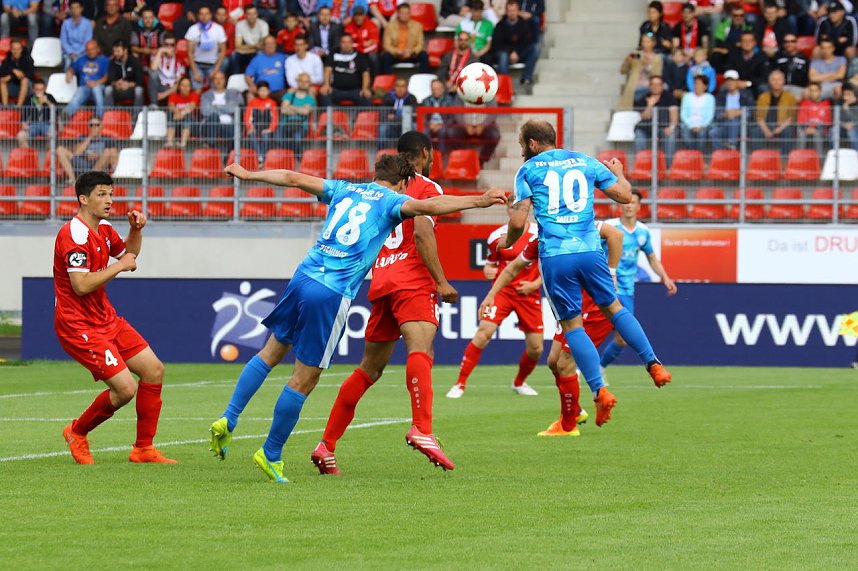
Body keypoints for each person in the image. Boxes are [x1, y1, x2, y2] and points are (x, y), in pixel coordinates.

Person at [207, 155, 505, 483]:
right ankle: (271, 453)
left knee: (271, 351)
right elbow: (431, 207)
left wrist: (248, 174)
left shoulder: (344, 188)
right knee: (304, 379)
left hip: (303, 276)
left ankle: (229, 418)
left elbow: (293, 177)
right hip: (331, 292)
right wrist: (480, 199)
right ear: (405, 182)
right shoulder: (394, 201)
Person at [503, 120, 672, 427]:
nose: (520, 150)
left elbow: (517, 222)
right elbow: (623, 195)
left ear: (532, 144)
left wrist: (507, 242)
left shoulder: (527, 171)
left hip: (557, 256)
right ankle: (653, 364)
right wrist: (619, 172)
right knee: (614, 308)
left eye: (520, 145)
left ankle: (599, 390)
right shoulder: (585, 161)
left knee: (572, 326)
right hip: (591, 250)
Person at [311, 132, 460, 475]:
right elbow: (422, 233)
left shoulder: (373, 189)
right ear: (425, 153)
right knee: (421, 349)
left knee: (369, 368)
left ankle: (326, 444)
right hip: (411, 280)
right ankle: (422, 428)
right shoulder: (425, 188)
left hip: (381, 279)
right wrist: (440, 281)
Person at [56, 171, 175, 465]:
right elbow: (81, 285)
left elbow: (129, 255)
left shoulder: (105, 228)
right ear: (83, 199)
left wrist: (135, 231)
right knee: (124, 389)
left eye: (110, 193)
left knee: (154, 370)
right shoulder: (73, 235)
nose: (109, 200)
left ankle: (143, 449)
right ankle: (76, 432)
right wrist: (119, 266)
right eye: (101, 194)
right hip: (78, 325)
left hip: (105, 318)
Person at [478, 220, 624, 436]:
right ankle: (575, 410)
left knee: (565, 363)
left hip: (591, 307)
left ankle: (569, 424)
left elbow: (616, 235)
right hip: (570, 308)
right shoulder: (541, 240)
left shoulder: (581, 227)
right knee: (553, 362)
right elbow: (513, 268)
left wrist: (611, 272)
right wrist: (491, 294)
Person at [447, 208, 544, 400]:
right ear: (508, 210)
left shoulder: (539, 234)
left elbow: (549, 265)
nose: (517, 212)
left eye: (520, 208)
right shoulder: (496, 237)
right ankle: (460, 383)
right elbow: (491, 263)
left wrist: (535, 283)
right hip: (503, 292)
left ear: (527, 210)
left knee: (536, 348)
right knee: (483, 333)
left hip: (529, 294)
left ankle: (519, 383)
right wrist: (487, 270)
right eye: (513, 208)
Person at [598, 190, 678, 377]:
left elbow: (651, 257)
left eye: (633, 202)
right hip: (603, 286)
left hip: (626, 290)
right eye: (626, 202)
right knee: (589, 330)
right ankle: (579, 369)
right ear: (620, 204)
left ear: (638, 206)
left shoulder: (642, 232)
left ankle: (599, 369)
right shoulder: (610, 227)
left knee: (621, 339)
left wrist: (665, 277)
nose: (629, 205)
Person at [491, 0, 539, 85]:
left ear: (518, 11)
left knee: (535, 48)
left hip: (520, 54)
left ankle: (526, 78)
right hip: (505, 54)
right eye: (509, 11)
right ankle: (505, 85)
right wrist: (510, 52)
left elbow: (527, 42)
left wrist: (516, 52)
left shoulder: (524, 24)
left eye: (514, 10)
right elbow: (497, 45)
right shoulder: (500, 25)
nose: (512, 13)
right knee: (503, 55)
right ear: (506, 12)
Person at [633, 75, 678, 161]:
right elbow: (645, 117)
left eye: (658, 84)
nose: (655, 87)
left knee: (671, 136)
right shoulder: (644, 98)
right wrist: (650, 104)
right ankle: (641, 164)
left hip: (663, 128)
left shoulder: (669, 97)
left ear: (662, 86)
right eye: (653, 84)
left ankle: (668, 168)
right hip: (647, 128)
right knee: (638, 134)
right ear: (649, 86)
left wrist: (671, 127)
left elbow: (674, 114)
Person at [320, 33, 372, 106]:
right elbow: (327, 70)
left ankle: (364, 118)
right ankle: (329, 117)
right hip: (336, 90)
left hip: (355, 90)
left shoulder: (360, 56)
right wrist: (326, 85)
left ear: (352, 43)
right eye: (343, 42)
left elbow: (365, 74)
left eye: (348, 42)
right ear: (340, 43)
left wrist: (365, 88)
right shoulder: (333, 54)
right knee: (324, 95)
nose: (346, 45)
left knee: (366, 97)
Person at [753, 69, 798, 153]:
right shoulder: (763, 97)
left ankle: (785, 159)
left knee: (788, 132)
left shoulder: (790, 97)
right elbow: (759, 116)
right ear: (769, 82)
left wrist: (779, 129)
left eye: (779, 79)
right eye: (773, 79)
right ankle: (757, 158)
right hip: (766, 125)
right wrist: (766, 130)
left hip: (782, 125)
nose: (776, 82)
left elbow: (792, 117)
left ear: (784, 81)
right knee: (755, 131)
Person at [64, 40, 111, 118]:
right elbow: (72, 69)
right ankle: (65, 116)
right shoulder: (81, 60)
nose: (90, 52)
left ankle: (99, 117)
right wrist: (69, 73)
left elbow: (106, 78)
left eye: (92, 49)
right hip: (85, 87)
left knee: (96, 90)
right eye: (88, 50)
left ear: (97, 49)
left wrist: (95, 83)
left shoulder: (104, 60)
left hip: (99, 86)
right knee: (78, 95)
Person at [185, 5, 227, 91]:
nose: (204, 17)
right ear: (198, 16)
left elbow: (223, 51)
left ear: (211, 15)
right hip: (197, 65)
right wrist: (195, 72)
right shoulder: (193, 29)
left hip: (213, 64)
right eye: (201, 14)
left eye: (207, 14)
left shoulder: (218, 29)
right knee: (197, 90)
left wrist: (215, 70)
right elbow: (189, 52)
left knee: (215, 90)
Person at [381, 2, 429, 73]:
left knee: (424, 55)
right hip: (396, 55)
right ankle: (388, 81)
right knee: (385, 57)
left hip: (411, 54)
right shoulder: (389, 27)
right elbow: (386, 45)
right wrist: (397, 51)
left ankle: (423, 79)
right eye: (402, 13)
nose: (405, 15)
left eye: (407, 13)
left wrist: (411, 51)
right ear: (398, 14)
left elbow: (421, 44)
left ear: (410, 14)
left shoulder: (417, 26)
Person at [620, 33, 663, 109]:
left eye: (648, 42)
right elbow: (623, 70)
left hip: (648, 90)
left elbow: (657, 76)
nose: (645, 44)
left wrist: (647, 65)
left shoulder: (657, 58)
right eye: (643, 41)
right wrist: (627, 62)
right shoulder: (636, 54)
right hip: (633, 88)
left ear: (653, 43)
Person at [713, 69, 755, 149]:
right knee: (714, 132)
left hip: (743, 125)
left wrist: (738, 113)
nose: (730, 83)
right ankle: (718, 155)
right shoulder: (720, 96)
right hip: (725, 124)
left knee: (734, 119)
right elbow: (717, 114)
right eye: (728, 81)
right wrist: (726, 114)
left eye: (732, 80)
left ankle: (732, 145)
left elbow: (751, 112)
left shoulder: (746, 94)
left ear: (737, 82)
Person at [279, 72, 315, 158]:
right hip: (285, 124)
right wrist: (300, 109)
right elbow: (283, 110)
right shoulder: (289, 95)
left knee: (297, 139)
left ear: (309, 84)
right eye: (301, 80)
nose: (303, 83)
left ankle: (297, 159)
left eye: (306, 81)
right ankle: (287, 159)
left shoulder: (310, 98)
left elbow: (306, 111)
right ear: (297, 82)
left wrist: (291, 107)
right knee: (279, 139)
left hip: (301, 125)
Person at [199, 70, 243, 140]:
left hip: (228, 125)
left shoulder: (233, 93)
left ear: (225, 80)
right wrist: (225, 109)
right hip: (211, 126)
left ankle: (231, 148)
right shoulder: (205, 95)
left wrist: (215, 106)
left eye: (221, 79)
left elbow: (234, 108)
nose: (218, 81)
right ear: (212, 81)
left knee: (232, 127)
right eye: (216, 79)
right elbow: (204, 111)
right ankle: (210, 145)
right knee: (214, 117)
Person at [245, 80, 279, 166]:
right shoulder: (252, 102)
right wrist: (250, 127)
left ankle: (261, 158)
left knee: (266, 136)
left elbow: (275, 118)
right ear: (257, 91)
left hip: (267, 129)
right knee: (252, 135)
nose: (263, 92)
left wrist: (270, 129)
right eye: (261, 90)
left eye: (265, 90)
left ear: (268, 91)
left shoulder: (272, 103)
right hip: (255, 128)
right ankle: (260, 157)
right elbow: (247, 117)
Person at [726, 31, 771, 96]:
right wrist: (735, 82)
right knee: (724, 88)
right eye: (744, 41)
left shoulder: (762, 56)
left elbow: (765, 77)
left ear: (755, 43)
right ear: (740, 43)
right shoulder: (734, 55)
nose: (747, 43)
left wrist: (748, 83)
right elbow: (729, 71)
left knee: (764, 87)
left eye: (750, 41)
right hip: (737, 84)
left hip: (754, 85)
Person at [245, 35, 288, 101]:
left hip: (279, 92)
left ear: (276, 45)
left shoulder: (283, 58)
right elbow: (247, 76)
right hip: (261, 92)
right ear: (263, 46)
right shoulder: (257, 59)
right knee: (250, 95)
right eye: (268, 44)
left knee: (288, 96)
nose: (270, 46)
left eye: (272, 43)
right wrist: (252, 86)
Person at [148, 34, 186, 107]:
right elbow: (153, 68)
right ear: (163, 45)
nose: (169, 47)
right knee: (153, 73)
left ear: (175, 46)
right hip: (159, 86)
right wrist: (160, 51)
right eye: (166, 44)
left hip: (172, 89)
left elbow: (178, 84)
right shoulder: (157, 55)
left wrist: (163, 95)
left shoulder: (179, 60)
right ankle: (154, 105)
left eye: (172, 45)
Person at [680, 75, 716, 151]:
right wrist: (691, 125)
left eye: (699, 84)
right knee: (685, 132)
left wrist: (701, 126)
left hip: (703, 124)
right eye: (695, 83)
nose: (696, 86)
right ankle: (691, 155)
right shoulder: (687, 96)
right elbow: (683, 114)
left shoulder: (710, 98)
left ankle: (700, 156)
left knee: (702, 133)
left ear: (705, 86)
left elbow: (710, 115)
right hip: (689, 124)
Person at [105, 40, 145, 108]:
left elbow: (140, 80)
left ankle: (136, 117)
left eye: (118, 51)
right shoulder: (113, 62)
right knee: (108, 89)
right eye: (114, 51)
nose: (115, 53)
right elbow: (110, 80)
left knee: (139, 90)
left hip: (131, 89)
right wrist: (116, 83)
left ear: (125, 50)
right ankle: (109, 115)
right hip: (118, 89)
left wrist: (128, 85)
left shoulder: (135, 61)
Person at [17, 78, 56, 148]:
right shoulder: (29, 98)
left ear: (45, 89)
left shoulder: (49, 97)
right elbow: (24, 113)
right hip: (32, 124)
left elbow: (56, 111)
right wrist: (24, 124)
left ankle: (49, 156)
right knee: (21, 135)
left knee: (53, 134)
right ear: (33, 89)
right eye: (37, 89)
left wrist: (47, 102)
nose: (39, 91)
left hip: (46, 124)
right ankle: (28, 155)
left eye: (41, 89)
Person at [231, 5, 269, 73]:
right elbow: (238, 46)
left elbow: (264, 45)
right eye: (249, 14)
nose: (252, 16)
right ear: (245, 15)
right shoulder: (239, 25)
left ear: (257, 14)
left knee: (260, 53)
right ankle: (235, 76)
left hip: (256, 51)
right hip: (248, 51)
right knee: (234, 54)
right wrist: (254, 46)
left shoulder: (263, 25)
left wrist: (247, 48)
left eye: (254, 14)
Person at [797, 82, 832, 156]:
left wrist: (815, 128)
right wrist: (807, 128)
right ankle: (800, 159)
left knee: (817, 134)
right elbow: (801, 119)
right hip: (806, 128)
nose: (813, 93)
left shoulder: (826, 103)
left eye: (815, 90)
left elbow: (827, 120)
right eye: (811, 90)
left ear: (820, 91)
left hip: (820, 129)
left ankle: (818, 160)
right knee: (801, 133)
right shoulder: (804, 103)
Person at [379, 77, 417, 142]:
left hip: (407, 124)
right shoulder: (388, 97)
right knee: (383, 128)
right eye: (398, 86)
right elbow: (383, 114)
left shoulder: (411, 98)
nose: (400, 89)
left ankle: (411, 151)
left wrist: (395, 117)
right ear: (394, 87)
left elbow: (413, 116)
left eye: (402, 86)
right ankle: (381, 151)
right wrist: (401, 117)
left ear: (406, 88)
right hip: (391, 124)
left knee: (415, 126)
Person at [345, 6, 380, 75]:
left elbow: (375, 44)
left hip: (368, 52)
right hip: (354, 52)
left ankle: (375, 80)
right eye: (356, 15)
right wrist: (363, 44)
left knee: (373, 57)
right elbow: (348, 45)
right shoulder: (348, 27)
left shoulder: (371, 25)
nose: (358, 18)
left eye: (360, 15)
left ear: (364, 15)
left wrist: (360, 47)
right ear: (353, 16)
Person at [166, 76, 200, 148]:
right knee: (170, 114)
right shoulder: (173, 96)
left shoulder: (194, 95)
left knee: (187, 116)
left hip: (192, 126)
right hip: (177, 124)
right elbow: (171, 106)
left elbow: (191, 107)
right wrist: (176, 112)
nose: (185, 87)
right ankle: (169, 142)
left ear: (191, 87)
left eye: (188, 85)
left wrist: (181, 113)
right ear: (179, 87)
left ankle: (183, 144)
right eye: (183, 85)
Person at [774, 33, 810, 100]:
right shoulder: (777, 58)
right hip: (781, 88)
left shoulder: (804, 58)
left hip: (800, 88)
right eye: (786, 42)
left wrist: (808, 88)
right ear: (783, 44)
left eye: (792, 41)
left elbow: (809, 75)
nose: (789, 44)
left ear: (796, 43)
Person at [421, 79, 456, 146]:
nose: (436, 91)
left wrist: (442, 125)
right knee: (424, 132)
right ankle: (426, 153)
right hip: (430, 124)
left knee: (443, 131)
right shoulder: (425, 101)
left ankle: (442, 154)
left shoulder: (450, 100)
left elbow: (452, 117)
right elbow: (423, 117)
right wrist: (429, 124)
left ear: (443, 89)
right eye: (434, 89)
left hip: (444, 124)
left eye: (438, 88)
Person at [61, 0, 93, 71]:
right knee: (68, 62)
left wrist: (77, 53)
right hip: (68, 53)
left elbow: (87, 41)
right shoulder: (65, 23)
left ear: (81, 9)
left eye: (77, 8)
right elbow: (63, 41)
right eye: (72, 8)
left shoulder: (87, 23)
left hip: (82, 53)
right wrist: (71, 52)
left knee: (78, 60)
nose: (75, 10)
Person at [0, 40, 34, 107]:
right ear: (11, 49)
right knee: (2, 81)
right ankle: (5, 107)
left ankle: (19, 107)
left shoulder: (28, 59)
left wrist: (11, 77)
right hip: (13, 86)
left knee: (24, 80)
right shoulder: (7, 60)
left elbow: (29, 74)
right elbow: (1, 72)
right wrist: (13, 70)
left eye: (18, 49)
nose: (16, 51)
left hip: (28, 88)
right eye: (14, 49)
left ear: (21, 49)